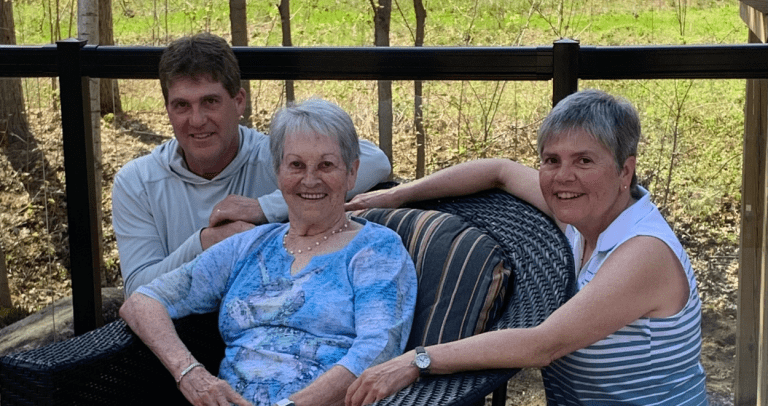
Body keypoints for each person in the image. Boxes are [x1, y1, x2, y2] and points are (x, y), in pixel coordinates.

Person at [343, 89, 707, 405]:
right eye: (552, 160)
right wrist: (396, 195)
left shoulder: (644, 251)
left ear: (625, 171)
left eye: (584, 160)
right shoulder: (582, 215)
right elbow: (499, 171)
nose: (563, 176)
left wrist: (415, 360)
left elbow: (541, 345)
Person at [119, 97, 417, 406]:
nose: (310, 179)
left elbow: (377, 351)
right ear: (278, 173)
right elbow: (142, 301)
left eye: (326, 165)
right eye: (296, 165)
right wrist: (191, 374)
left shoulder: (375, 250)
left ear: (351, 173)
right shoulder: (250, 244)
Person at [112, 32, 391, 296]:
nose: (196, 120)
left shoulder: (276, 157)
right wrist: (207, 241)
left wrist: (264, 208)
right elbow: (137, 290)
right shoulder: (137, 182)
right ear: (168, 110)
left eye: (210, 101)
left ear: (239, 102)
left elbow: (374, 161)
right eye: (182, 105)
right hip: (180, 326)